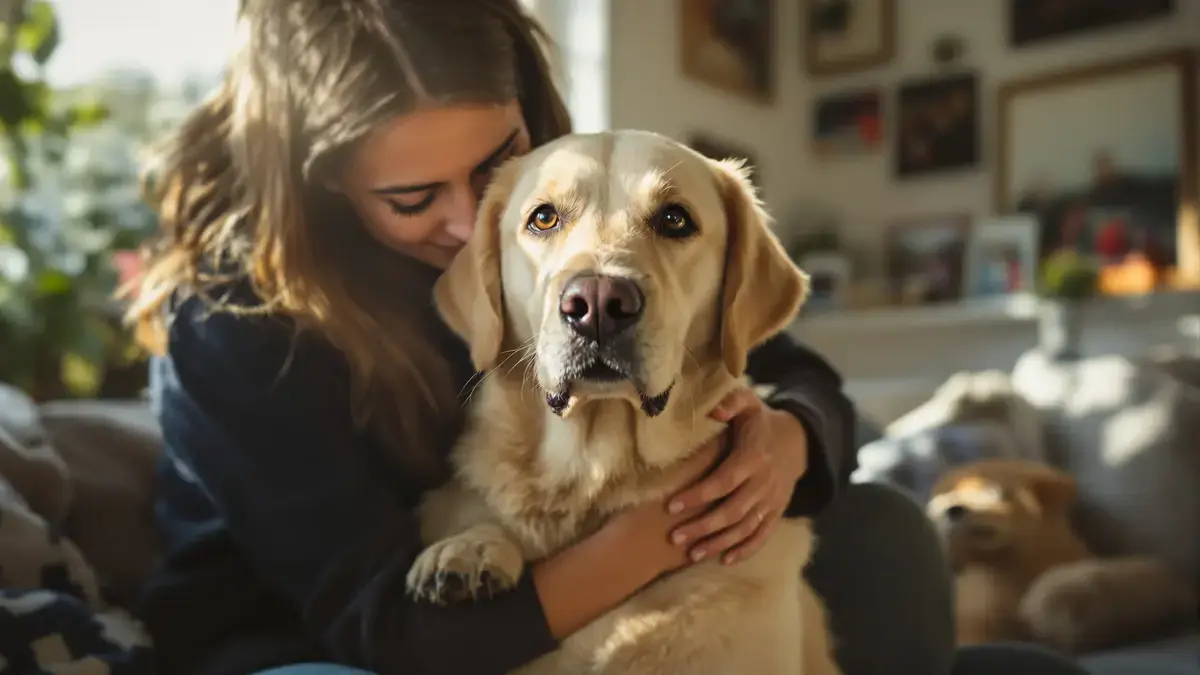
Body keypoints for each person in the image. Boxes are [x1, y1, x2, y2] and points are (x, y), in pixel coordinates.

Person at [129, 2, 1089, 675]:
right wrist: (666, 534)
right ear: (323, 185)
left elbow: (798, 375)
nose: (471, 220)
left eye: (499, 163)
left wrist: (784, 441)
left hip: (580, 567)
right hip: (329, 639)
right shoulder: (230, 323)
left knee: (886, 535)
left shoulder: (568, 200)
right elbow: (399, 635)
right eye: (414, 198)